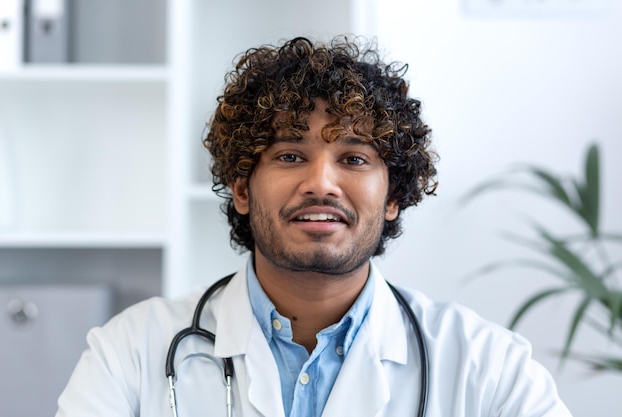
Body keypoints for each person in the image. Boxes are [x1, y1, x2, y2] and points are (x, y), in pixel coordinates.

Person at [55, 36, 572, 417]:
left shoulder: (488, 366)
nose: (321, 183)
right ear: (241, 188)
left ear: (393, 195)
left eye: (353, 157)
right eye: (290, 154)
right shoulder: (130, 352)